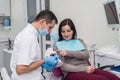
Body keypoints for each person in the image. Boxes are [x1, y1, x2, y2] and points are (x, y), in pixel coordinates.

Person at [53, 18, 120, 80]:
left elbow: (86, 55)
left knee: (114, 78)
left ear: (73, 31)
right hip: (71, 73)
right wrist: (84, 69)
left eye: (68, 31)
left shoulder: (79, 41)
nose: (66, 34)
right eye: (63, 31)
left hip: (88, 69)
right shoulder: (58, 45)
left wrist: (67, 52)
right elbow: (63, 66)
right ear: (60, 32)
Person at [10, 10, 58, 80]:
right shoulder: (28, 37)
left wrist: (41, 64)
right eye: (50, 27)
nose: (50, 31)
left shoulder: (30, 34)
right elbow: (20, 69)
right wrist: (44, 61)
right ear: (42, 22)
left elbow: (29, 62)